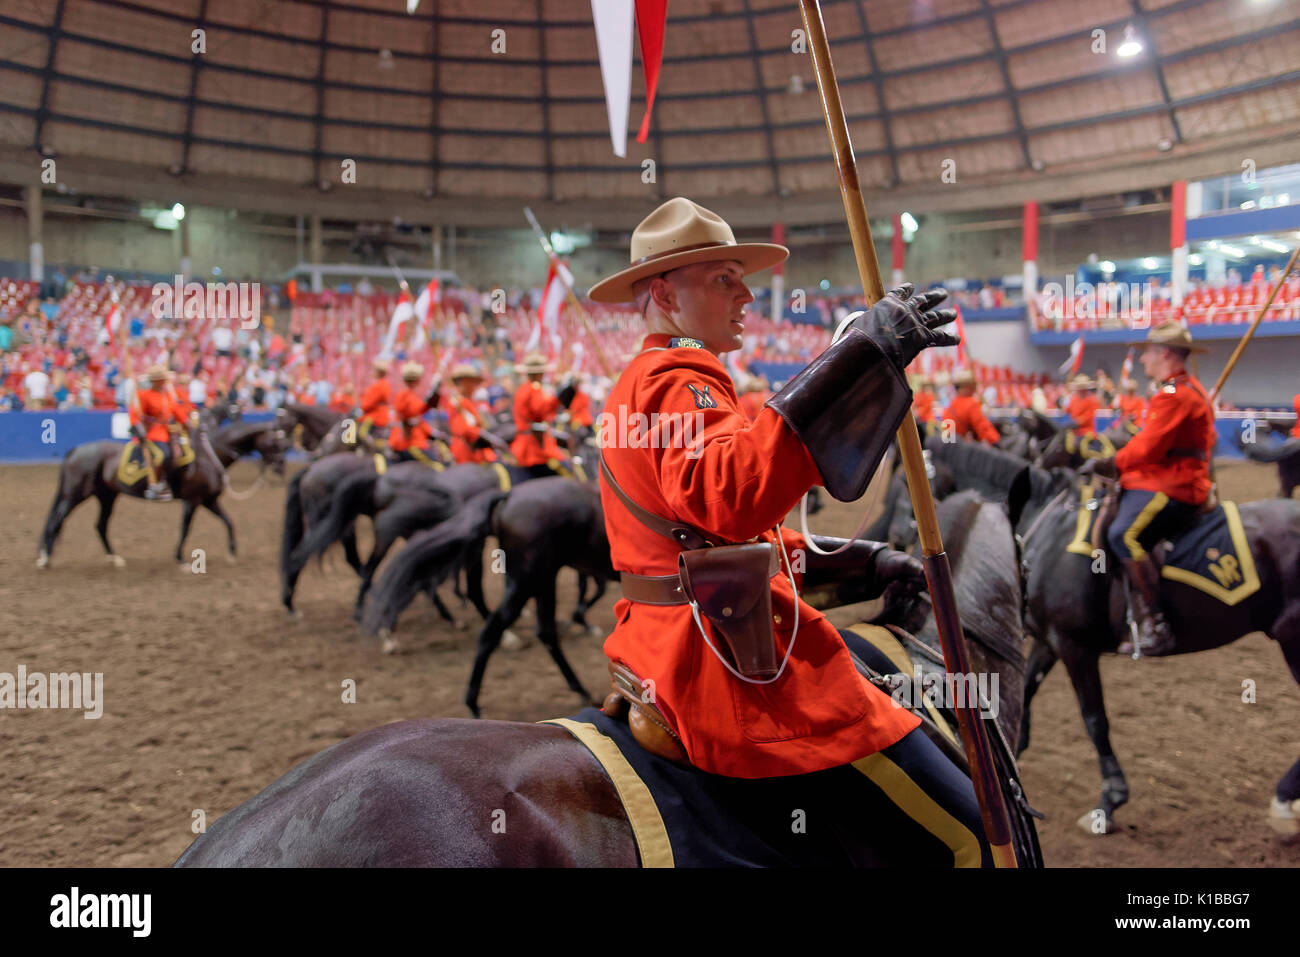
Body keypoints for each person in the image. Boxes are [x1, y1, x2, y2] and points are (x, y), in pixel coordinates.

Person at [587, 196, 992, 866]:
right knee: (971, 832)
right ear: (663, 291)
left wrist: (862, 562)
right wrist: (859, 360)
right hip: (713, 662)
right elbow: (733, 498)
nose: (746, 293)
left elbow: (713, 543)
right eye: (724, 279)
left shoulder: (661, 375)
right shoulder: (676, 376)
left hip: (669, 631)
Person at [1083, 322, 1216, 657]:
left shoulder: (1174, 395)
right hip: (1166, 474)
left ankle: (1157, 623)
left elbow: (1146, 450)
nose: (1142, 360)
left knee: (1121, 535)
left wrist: (1111, 464)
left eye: (1147, 353)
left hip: (1177, 483)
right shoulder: (1181, 390)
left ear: (1165, 353)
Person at [510, 352, 564, 478]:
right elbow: (540, 410)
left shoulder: (523, 388)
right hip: (535, 444)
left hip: (525, 440)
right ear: (539, 374)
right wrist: (556, 400)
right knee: (564, 470)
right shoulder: (534, 389)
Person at [129, 365, 179, 501]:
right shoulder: (144, 395)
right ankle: (156, 485)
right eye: (162, 379)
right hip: (153, 433)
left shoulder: (167, 396)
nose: (165, 382)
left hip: (168, 431)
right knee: (164, 455)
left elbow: (176, 412)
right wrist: (137, 426)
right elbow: (135, 414)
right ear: (156, 381)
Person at [445, 364, 501, 464]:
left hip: (477, 451)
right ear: (464, 382)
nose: (475, 386)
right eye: (472, 382)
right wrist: (480, 437)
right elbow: (463, 430)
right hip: (467, 452)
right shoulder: (456, 402)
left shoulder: (467, 401)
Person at [389, 361, 441, 465]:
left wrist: (431, 433)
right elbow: (415, 412)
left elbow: (419, 415)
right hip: (408, 442)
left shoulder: (410, 394)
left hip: (413, 439)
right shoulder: (404, 395)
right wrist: (432, 395)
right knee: (436, 466)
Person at [944, 368, 1000, 444]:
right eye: (973, 385)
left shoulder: (950, 405)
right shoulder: (971, 404)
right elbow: (984, 431)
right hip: (965, 449)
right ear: (968, 386)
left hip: (952, 447)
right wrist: (996, 442)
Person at [359, 358, 393, 449]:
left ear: (378, 372)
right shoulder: (384, 384)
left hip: (374, 416)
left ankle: (372, 448)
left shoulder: (379, 386)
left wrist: (361, 408)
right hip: (379, 415)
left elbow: (369, 403)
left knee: (362, 433)